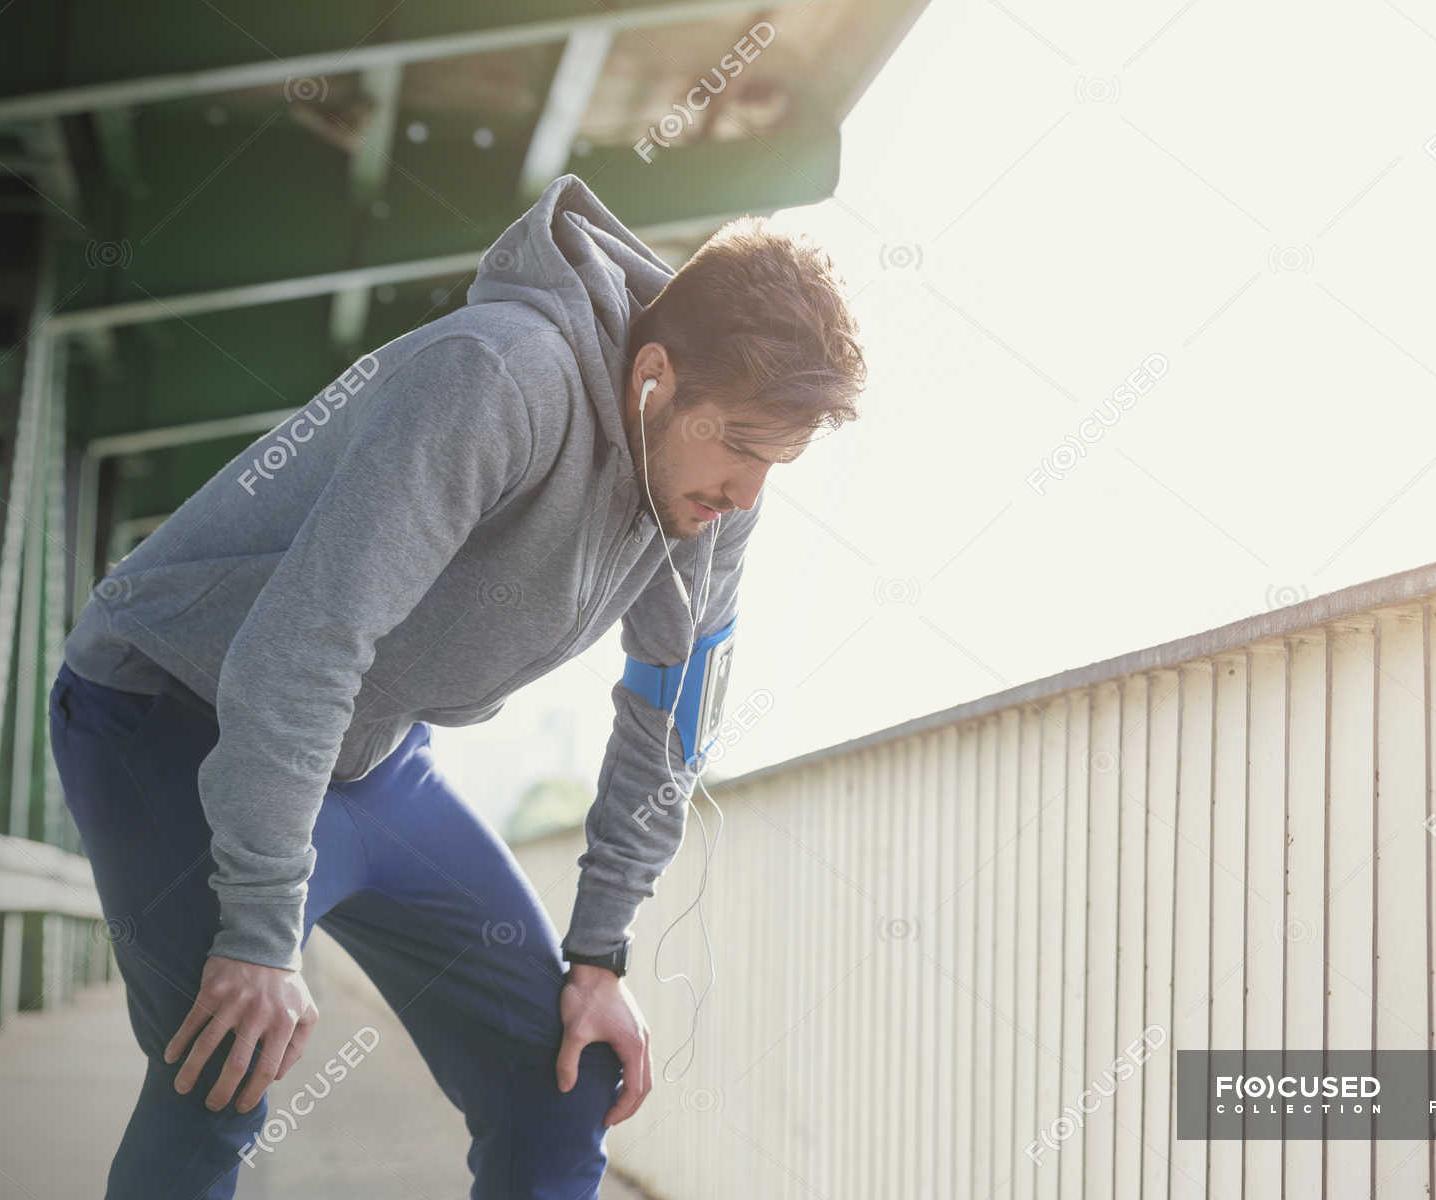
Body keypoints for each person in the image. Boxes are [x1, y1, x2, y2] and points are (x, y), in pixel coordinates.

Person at [46, 172, 865, 1197]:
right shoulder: (498, 379)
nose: (747, 493)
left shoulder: (713, 500)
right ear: (654, 376)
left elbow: (668, 713)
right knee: (223, 1072)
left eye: (773, 464)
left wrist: (600, 957)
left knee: (565, 1081)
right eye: (741, 448)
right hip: (167, 716)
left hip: (375, 752)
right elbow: (304, 646)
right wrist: (258, 931)